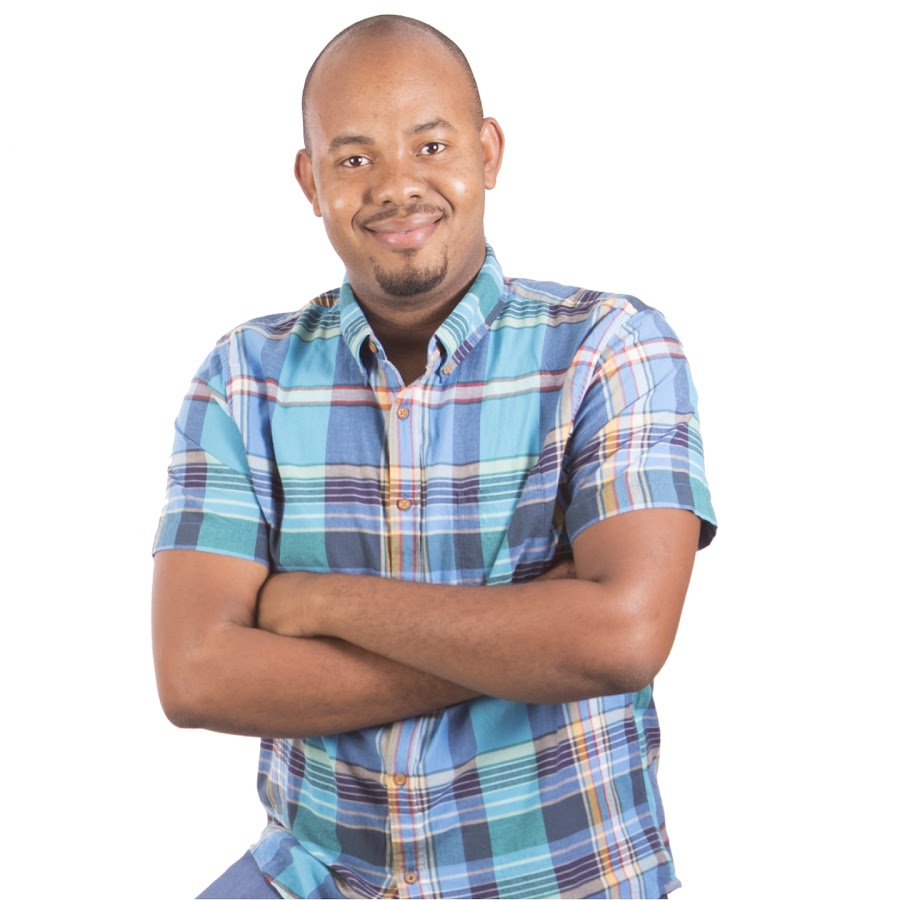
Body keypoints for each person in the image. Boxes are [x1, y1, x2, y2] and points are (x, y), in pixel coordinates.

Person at [152, 14, 717, 900]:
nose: (396, 186)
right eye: (354, 158)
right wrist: (526, 640)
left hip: (560, 879)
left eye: (430, 145)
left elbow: (622, 638)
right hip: (314, 874)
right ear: (310, 181)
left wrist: (317, 603)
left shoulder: (611, 349)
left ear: (487, 153)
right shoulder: (242, 378)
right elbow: (196, 676)